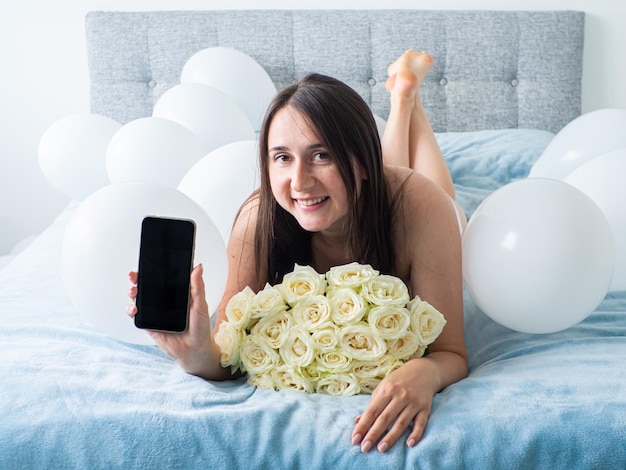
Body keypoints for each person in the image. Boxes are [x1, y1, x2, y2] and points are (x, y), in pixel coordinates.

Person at [127, 49, 468, 453]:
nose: (299, 182)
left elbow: (451, 352)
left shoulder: (421, 206)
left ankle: (408, 103)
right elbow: (224, 355)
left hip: (409, 203)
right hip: (369, 187)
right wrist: (195, 351)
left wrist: (424, 372)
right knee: (375, 184)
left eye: (321, 155)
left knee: (433, 189)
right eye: (282, 158)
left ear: (359, 157)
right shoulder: (259, 221)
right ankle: (402, 99)